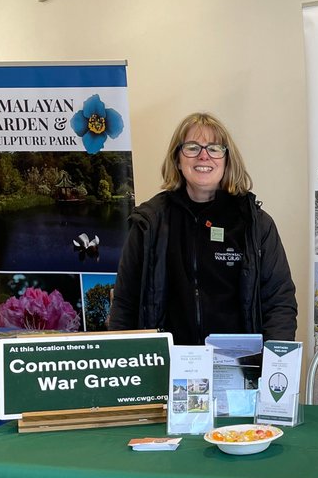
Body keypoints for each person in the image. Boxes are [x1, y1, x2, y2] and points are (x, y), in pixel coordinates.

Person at [109, 112, 297, 344]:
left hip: (237, 367)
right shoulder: (150, 223)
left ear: (227, 159)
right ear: (177, 159)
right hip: (168, 367)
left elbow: (279, 302)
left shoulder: (254, 224)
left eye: (214, 148)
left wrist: (272, 365)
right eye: (192, 147)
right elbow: (125, 302)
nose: (204, 156)